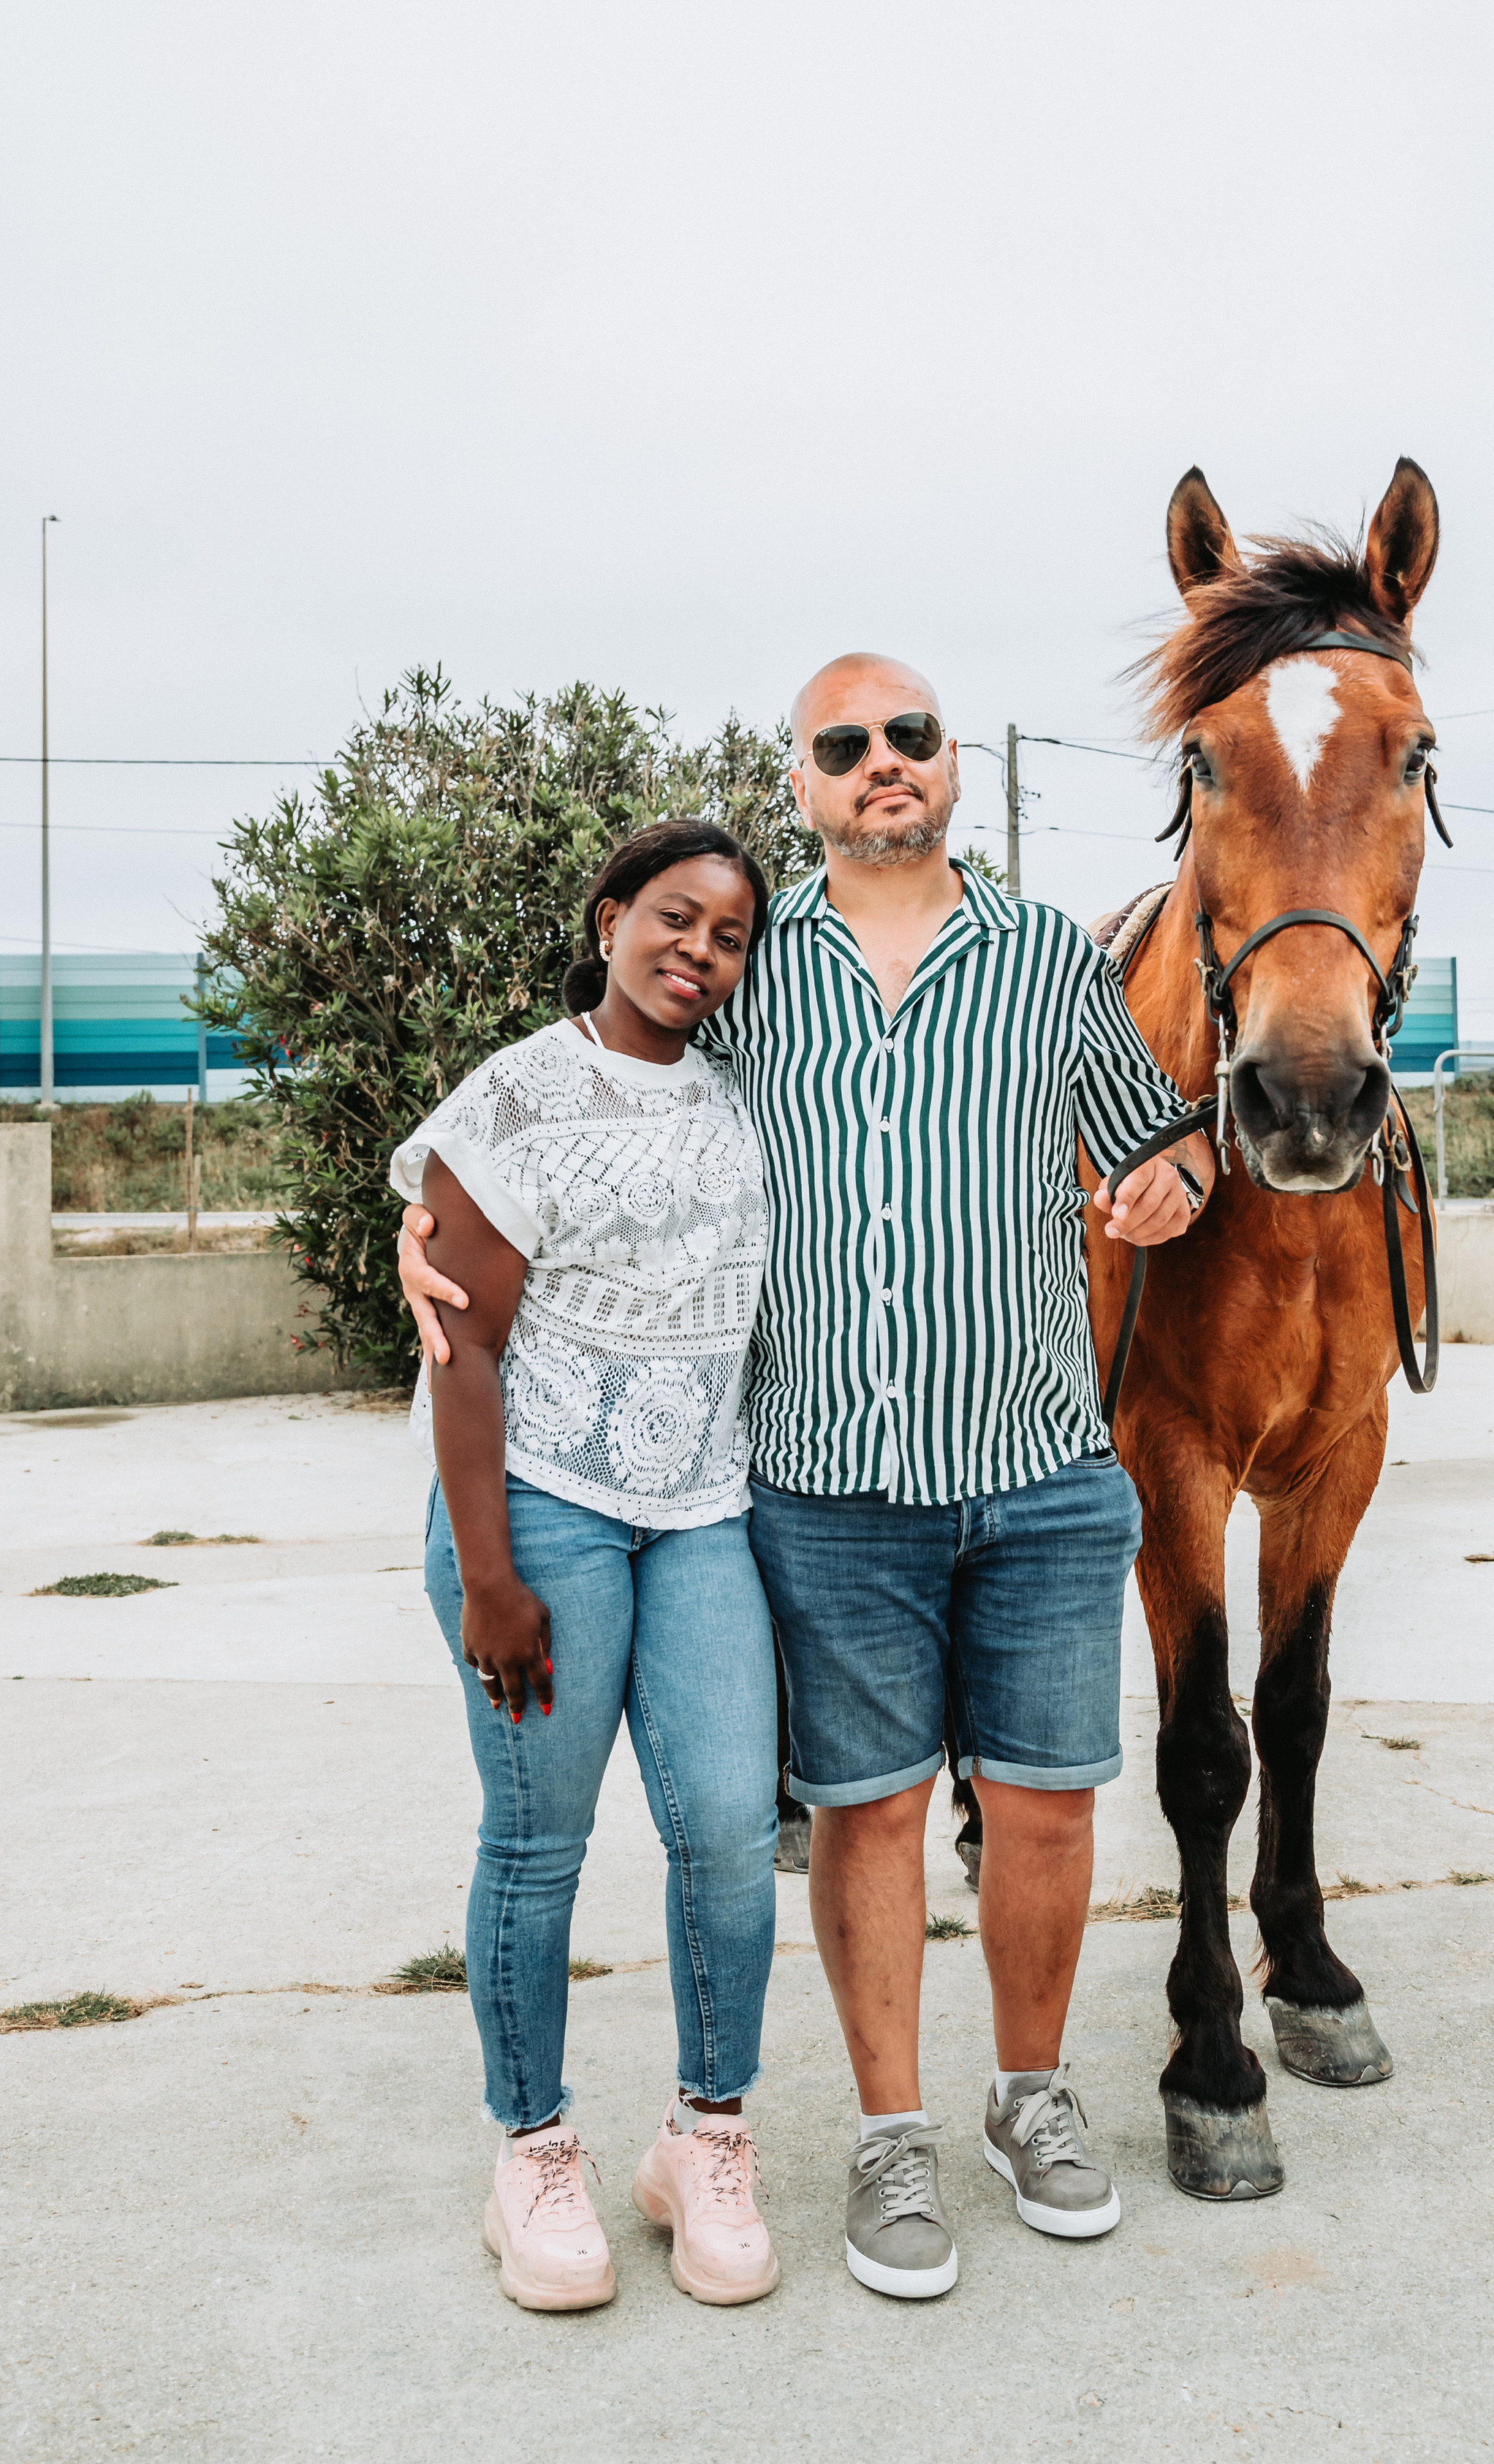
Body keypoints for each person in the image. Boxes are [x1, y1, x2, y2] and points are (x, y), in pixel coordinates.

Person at [401, 658, 1209, 2300]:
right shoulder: (755, 984)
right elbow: (547, 1107)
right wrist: (414, 1235)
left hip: (1034, 1462)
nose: (882, 764)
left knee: (1040, 1808)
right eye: (843, 748)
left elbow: (1159, 1138)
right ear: (806, 787)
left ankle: (1022, 2099)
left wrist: (1180, 1178)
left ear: (953, 765)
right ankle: (881, 2137)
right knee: (863, 1813)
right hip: (823, 1484)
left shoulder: (1052, 961)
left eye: (910, 735)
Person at [390, 819, 784, 2316]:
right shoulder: (519, 1092)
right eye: (672, 919)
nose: (697, 951)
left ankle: (706, 2136)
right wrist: (489, 1577)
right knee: (539, 1845)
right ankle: (534, 2152)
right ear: (611, 918)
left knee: (728, 1834)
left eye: (728, 935)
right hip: (542, 1509)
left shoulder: (747, 1099)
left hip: (702, 1515)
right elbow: (461, 1341)